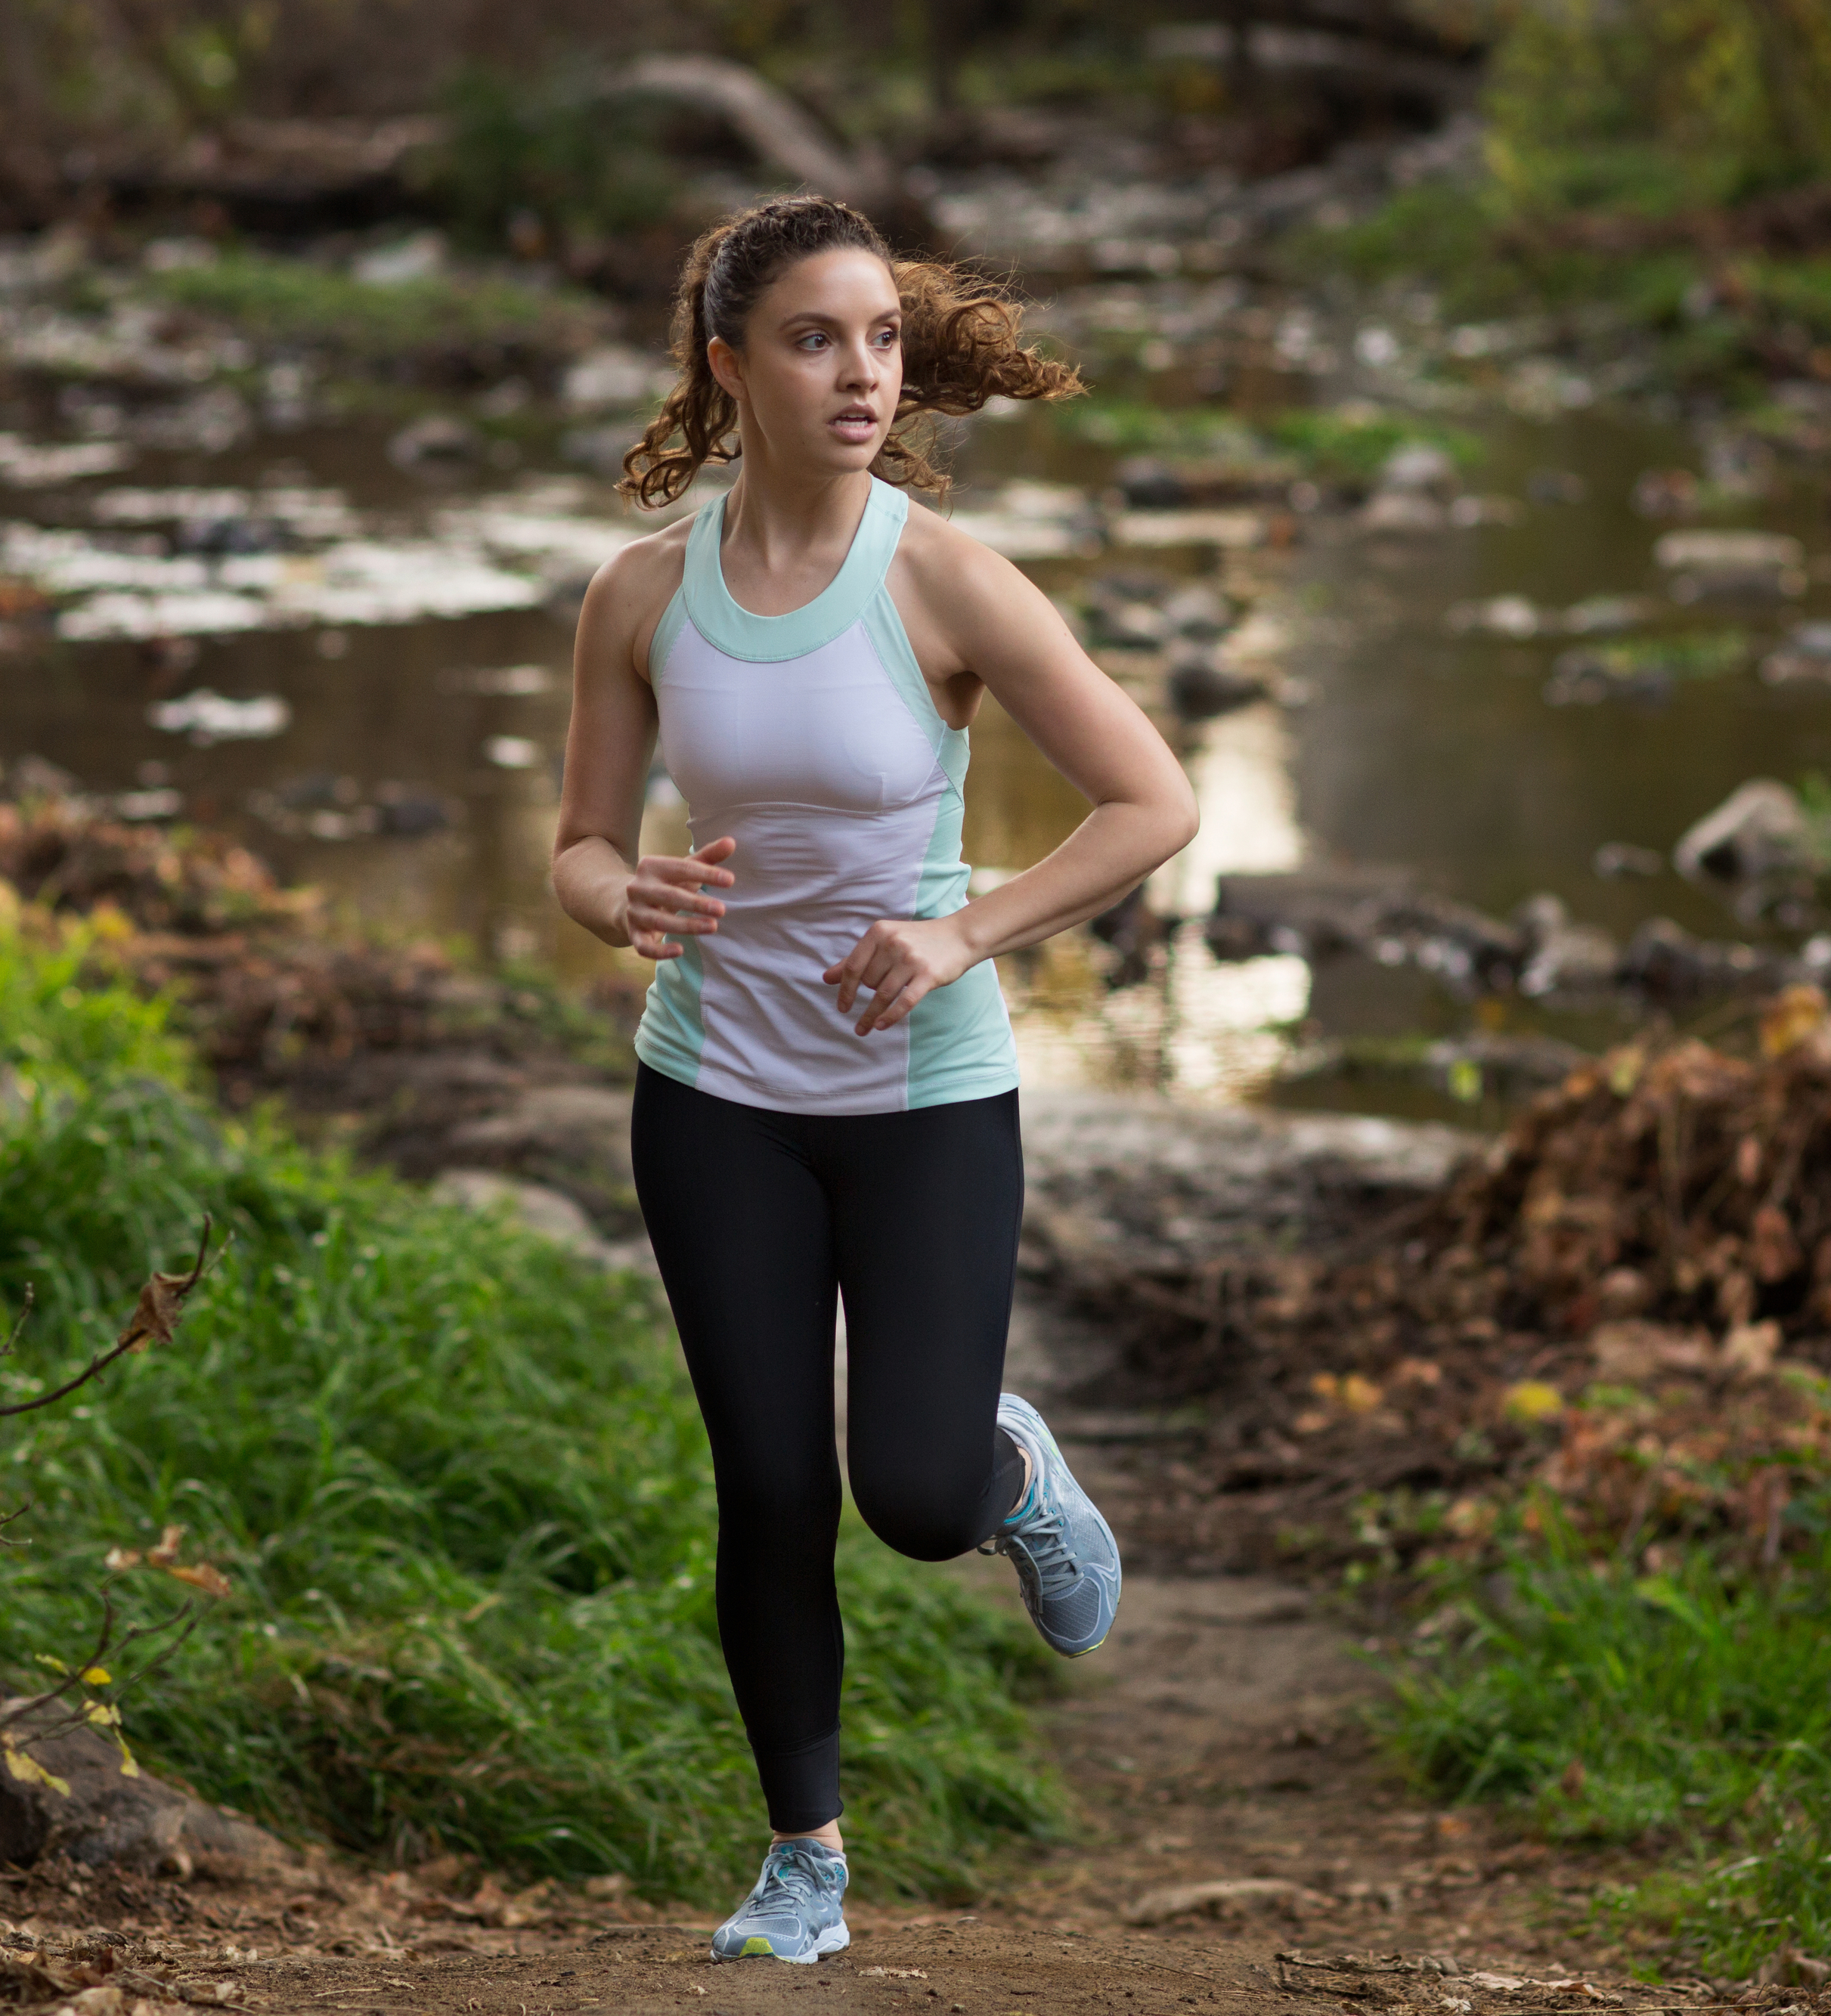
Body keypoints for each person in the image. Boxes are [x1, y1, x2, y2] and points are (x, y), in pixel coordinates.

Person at [550, 194, 1198, 1963]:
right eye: (814, 339)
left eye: (882, 340)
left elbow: (1155, 802)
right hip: (712, 1099)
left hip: (921, 1096)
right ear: (726, 369)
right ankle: (803, 1861)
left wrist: (964, 930)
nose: (858, 373)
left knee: (903, 1494)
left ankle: (1005, 1471)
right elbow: (584, 846)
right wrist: (626, 900)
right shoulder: (638, 595)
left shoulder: (944, 580)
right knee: (766, 1485)